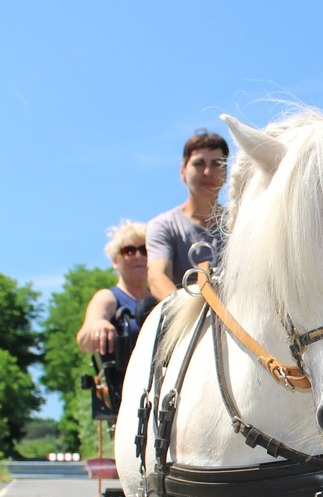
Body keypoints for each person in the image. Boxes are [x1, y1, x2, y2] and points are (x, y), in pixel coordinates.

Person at [145, 129, 229, 301]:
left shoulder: (240, 224)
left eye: (217, 164)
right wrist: (184, 308)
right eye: (199, 164)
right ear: (183, 171)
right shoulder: (164, 225)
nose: (207, 172)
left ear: (226, 172)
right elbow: (157, 277)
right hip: (184, 313)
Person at [75, 220, 150, 354]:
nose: (138, 256)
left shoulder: (161, 301)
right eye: (129, 251)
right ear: (115, 261)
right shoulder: (109, 297)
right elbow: (84, 341)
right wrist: (98, 324)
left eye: (144, 250)